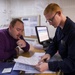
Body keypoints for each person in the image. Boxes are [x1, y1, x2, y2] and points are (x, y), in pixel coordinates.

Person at [35, 3, 75, 75]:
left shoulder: (73, 32)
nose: (50, 24)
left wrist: (49, 66)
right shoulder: (59, 28)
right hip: (64, 65)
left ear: (59, 13)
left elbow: (72, 62)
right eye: (48, 21)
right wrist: (48, 54)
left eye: (51, 20)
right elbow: (54, 43)